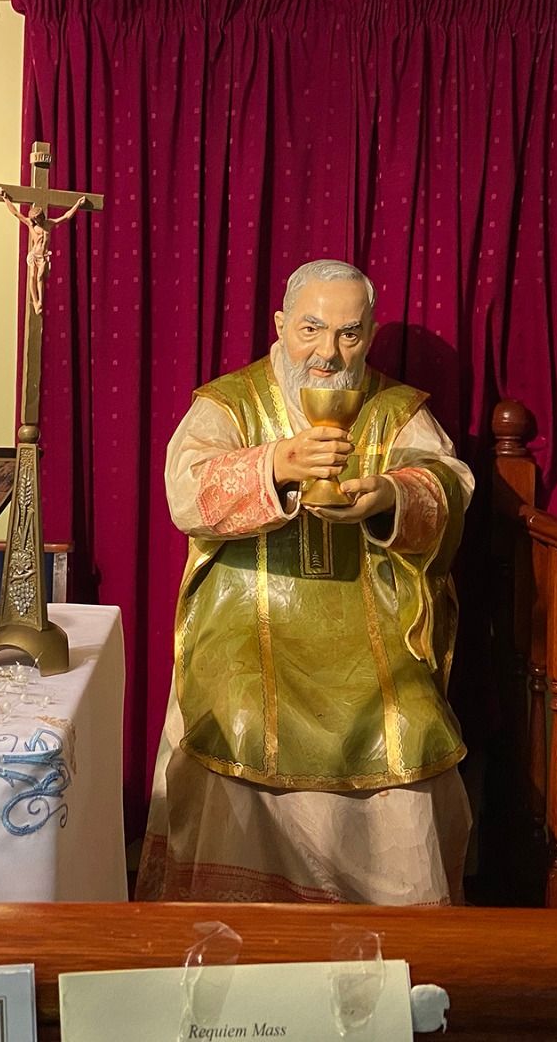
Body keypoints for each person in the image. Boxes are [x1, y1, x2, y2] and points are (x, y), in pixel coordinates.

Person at [135, 259, 475, 905]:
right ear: (280, 324)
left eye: (348, 334)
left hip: (371, 623)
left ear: (369, 334)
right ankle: (242, 924)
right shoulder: (229, 402)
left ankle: (392, 927)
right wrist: (277, 463)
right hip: (245, 618)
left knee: (406, 715)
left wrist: (389, 495)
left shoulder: (395, 409)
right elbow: (185, 492)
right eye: (311, 329)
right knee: (239, 712)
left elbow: (447, 485)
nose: (328, 353)